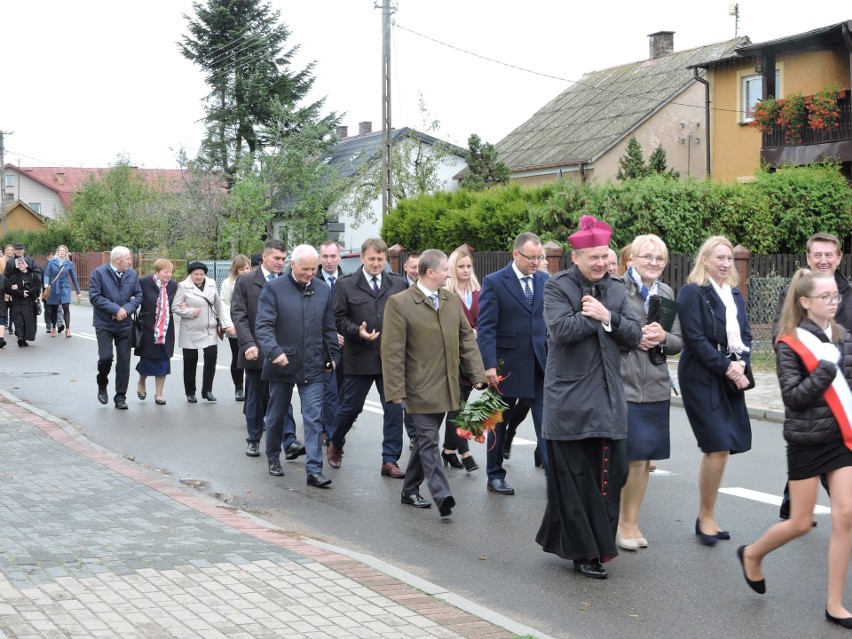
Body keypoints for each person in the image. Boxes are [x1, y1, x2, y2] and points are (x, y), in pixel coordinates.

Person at [738, 269, 852, 630]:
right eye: (826, 297)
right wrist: (824, 369)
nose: (834, 302)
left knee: (846, 515)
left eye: (836, 296)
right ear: (805, 302)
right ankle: (753, 553)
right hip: (807, 441)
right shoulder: (789, 343)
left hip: (842, 439)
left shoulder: (843, 337)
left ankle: (835, 603)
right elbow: (793, 398)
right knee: (801, 523)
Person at [535, 215, 642, 580]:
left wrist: (605, 315)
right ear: (575, 258)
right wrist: (598, 320)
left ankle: (575, 538)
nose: (601, 263)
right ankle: (586, 553)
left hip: (610, 398)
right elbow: (562, 330)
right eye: (593, 258)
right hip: (570, 400)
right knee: (578, 479)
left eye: (605, 256)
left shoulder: (616, 289)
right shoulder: (557, 286)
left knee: (614, 475)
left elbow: (633, 334)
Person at [382, 249, 487, 519]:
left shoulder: (450, 301)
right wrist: (395, 391)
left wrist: (477, 375)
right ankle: (441, 494)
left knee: (423, 443)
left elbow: (466, 340)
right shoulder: (400, 303)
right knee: (428, 439)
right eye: (445, 269)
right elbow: (392, 351)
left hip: (448, 385)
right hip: (418, 388)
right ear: (430, 272)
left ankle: (409, 489)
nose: (449, 273)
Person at [676, 236, 752, 546]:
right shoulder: (692, 292)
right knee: (717, 444)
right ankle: (705, 517)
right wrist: (728, 366)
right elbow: (694, 339)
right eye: (718, 257)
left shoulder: (734, 294)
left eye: (728, 259)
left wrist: (742, 364)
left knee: (724, 447)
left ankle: (707, 514)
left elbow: (745, 335)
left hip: (728, 373)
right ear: (704, 260)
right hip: (700, 375)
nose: (724, 263)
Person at [772, 232, 849, 521]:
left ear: (839, 258)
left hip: (844, 389)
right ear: (808, 258)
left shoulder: (849, 294)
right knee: (823, 449)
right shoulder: (794, 293)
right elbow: (781, 335)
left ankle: (795, 503)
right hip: (811, 388)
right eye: (817, 254)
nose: (823, 259)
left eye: (829, 254)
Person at [616, 234, 683, 550]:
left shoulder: (666, 292)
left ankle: (631, 521)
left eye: (660, 259)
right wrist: (633, 337)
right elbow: (604, 333)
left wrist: (662, 338)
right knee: (628, 459)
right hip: (623, 384)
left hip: (655, 385)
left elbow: (678, 341)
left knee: (644, 461)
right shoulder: (615, 289)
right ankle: (619, 522)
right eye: (647, 257)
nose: (654, 263)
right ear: (631, 259)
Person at [255, 244, 340, 488]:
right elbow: (264, 326)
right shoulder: (273, 288)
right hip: (282, 363)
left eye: (314, 269)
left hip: (313, 364)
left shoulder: (323, 290)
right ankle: (273, 457)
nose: (310, 273)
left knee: (314, 418)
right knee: (277, 415)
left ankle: (314, 469)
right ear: (292, 265)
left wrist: (333, 357)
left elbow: (329, 328)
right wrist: (274, 352)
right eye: (305, 269)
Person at [327, 237, 408, 479]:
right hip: (359, 356)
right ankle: (336, 442)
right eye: (372, 258)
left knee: (394, 410)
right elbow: (338, 318)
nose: (376, 263)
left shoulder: (398, 284)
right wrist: (356, 331)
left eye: (380, 259)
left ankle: (390, 460)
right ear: (362, 258)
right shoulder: (346, 285)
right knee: (351, 408)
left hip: (390, 360)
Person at [477, 232, 550, 495]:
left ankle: (555, 476)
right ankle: (495, 474)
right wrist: (489, 365)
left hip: (540, 364)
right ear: (515, 254)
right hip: (506, 365)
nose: (536, 262)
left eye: (539, 257)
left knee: (547, 423)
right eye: (531, 257)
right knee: (498, 422)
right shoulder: (495, 282)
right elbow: (486, 327)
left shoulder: (544, 279)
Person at [231, 240, 301, 464]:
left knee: (283, 397)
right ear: (264, 256)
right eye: (277, 258)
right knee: (255, 396)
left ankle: (289, 441)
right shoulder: (246, 281)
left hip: (282, 351)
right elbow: (239, 315)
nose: (281, 263)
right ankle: (253, 438)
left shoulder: (288, 282)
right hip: (255, 350)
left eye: (284, 259)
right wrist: (247, 344)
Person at [441, 249, 482, 472]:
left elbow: (485, 319)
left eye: (468, 266)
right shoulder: (447, 293)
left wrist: (476, 332)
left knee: (461, 404)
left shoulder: (478, 291)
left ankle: (448, 449)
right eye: (461, 267)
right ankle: (464, 451)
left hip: (472, 356)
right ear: (453, 269)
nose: (466, 271)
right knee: (457, 404)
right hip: (451, 355)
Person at [89, 246, 143, 409]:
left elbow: (139, 295)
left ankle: (120, 397)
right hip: (104, 324)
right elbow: (95, 297)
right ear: (117, 260)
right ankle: (102, 382)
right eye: (128, 258)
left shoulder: (132, 274)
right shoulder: (99, 273)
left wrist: (125, 310)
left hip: (125, 324)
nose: (130, 261)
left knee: (124, 362)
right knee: (106, 358)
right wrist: (115, 309)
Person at [173, 262, 221, 403]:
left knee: (211, 359)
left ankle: (207, 390)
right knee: (190, 361)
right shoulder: (183, 286)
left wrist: (221, 323)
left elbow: (217, 304)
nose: (199, 277)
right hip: (190, 329)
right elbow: (175, 307)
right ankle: (190, 392)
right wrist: (189, 311)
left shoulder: (211, 284)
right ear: (190, 275)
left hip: (209, 328)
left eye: (201, 274)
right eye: (196, 274)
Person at [134, 259, 178, 405]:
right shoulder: (144, 282)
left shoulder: (173, 286)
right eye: (165, 272)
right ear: (157, 271)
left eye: (171, 271)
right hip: (148, 327)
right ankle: (141, 381)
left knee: (163, 362)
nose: (169, 274)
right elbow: (134, 296)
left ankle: (159, 394)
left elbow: (178, 303)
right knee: (147, 360)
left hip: (165, 329)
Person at [316, 240, 345, 439]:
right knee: (326, 390)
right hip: (322, 345)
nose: (329, 260)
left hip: (347, 345)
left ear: (339, 257)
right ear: (320, 258)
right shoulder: (312, 279)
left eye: (333, 256)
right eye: (325, 256)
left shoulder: (348, 281)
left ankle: (337, 426)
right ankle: (328, 430)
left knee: (342, 390)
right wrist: (330, 334)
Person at [220, 255, 251, 401]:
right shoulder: (228, 283)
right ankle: (238, 387)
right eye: (241, 269)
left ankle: (251, 387)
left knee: (252, 357)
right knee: (238, 356)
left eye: (247, 268)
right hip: (235, 325)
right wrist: (228, 325)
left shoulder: (253, 281)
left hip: (251, 325)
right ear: (235, 270)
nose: (245, 271)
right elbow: (225, 304)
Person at [401, 251, 422, 448]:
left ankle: (420, 434)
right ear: (406, 267)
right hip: (404, 348)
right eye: (412, 267)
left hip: (423, 350)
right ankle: (414, 435)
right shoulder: (398, 287)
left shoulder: (427, 287)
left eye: (419, 266)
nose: (416, 271)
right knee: (408, 394)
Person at [42, 245, 82, 338]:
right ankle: (54, 327)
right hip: (54, 288)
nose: (62, 252)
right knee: (54, 309)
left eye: (64, 250)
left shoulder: (69, 263)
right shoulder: (52, 262)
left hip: (65, 288)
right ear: (57, 252)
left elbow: (74, 278)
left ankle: (67, 329)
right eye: (60, 250)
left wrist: (78, 291)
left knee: (65, 307)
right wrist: (46, 283)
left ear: (66, 252)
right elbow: (47, 274)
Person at [5, 257, 42, 347]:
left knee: (27, 321)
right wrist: (21, 292)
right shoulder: (14, 276)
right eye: (19, 264)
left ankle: (24, 338)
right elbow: (8, 289)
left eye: (22, 263)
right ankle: (20, 338)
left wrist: (28, 292)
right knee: (18, 321)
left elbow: (37, 287)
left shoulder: (33, 275)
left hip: (29, 303)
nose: (20, 265)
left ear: (26, 264)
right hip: (17, 302)